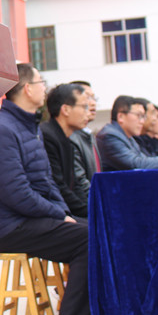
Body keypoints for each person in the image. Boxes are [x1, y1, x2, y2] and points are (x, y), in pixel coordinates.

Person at [0, 64, 93, 315]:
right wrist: (59, 215)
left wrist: (65, 214)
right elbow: (14, 193)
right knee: (88, 240)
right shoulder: (1, 131)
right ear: (28, 89)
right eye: (42, 82)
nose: (45, 88)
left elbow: (46, 183)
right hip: (9, 226)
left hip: (30, 218)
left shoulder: (29, 127)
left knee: (99, 232)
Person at [41, 84, 91, 218]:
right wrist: (90, 212)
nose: (88, 112)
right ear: (66, 109)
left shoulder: (66, 139)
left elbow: (75, 187)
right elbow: (58, 186)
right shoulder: (47, 136)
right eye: (84, 107)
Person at [95, 96, 158, 171]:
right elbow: (136, 164)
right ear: (121, 117)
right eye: (139, 116)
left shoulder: (128, 137)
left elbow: (144, 159)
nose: (142, 121)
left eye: (143, 117)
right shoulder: (110, 136)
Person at [69, 81, 99, 204]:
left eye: (94, 98)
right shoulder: (71, 137)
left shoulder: (89, 135)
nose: (92, 103)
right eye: (87, 98)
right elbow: (80, 184)